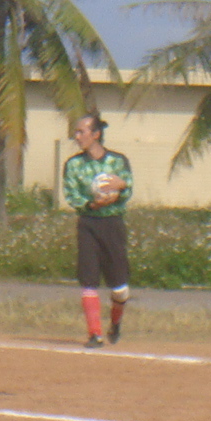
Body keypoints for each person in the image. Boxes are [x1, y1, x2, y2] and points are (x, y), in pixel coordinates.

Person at [62, 112, 133, 348]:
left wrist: (119, 189)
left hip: (112, 224)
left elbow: (127, 188)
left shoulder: (118, 161)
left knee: (120, 289)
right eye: (76, 132)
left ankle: (115, 323)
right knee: (88, 280)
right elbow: (72, 195)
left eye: (81, 131)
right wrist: (92, 204)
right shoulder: (74, 164)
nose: (77, 136)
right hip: (88, 223)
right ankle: (95, 334)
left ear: (96, 134)